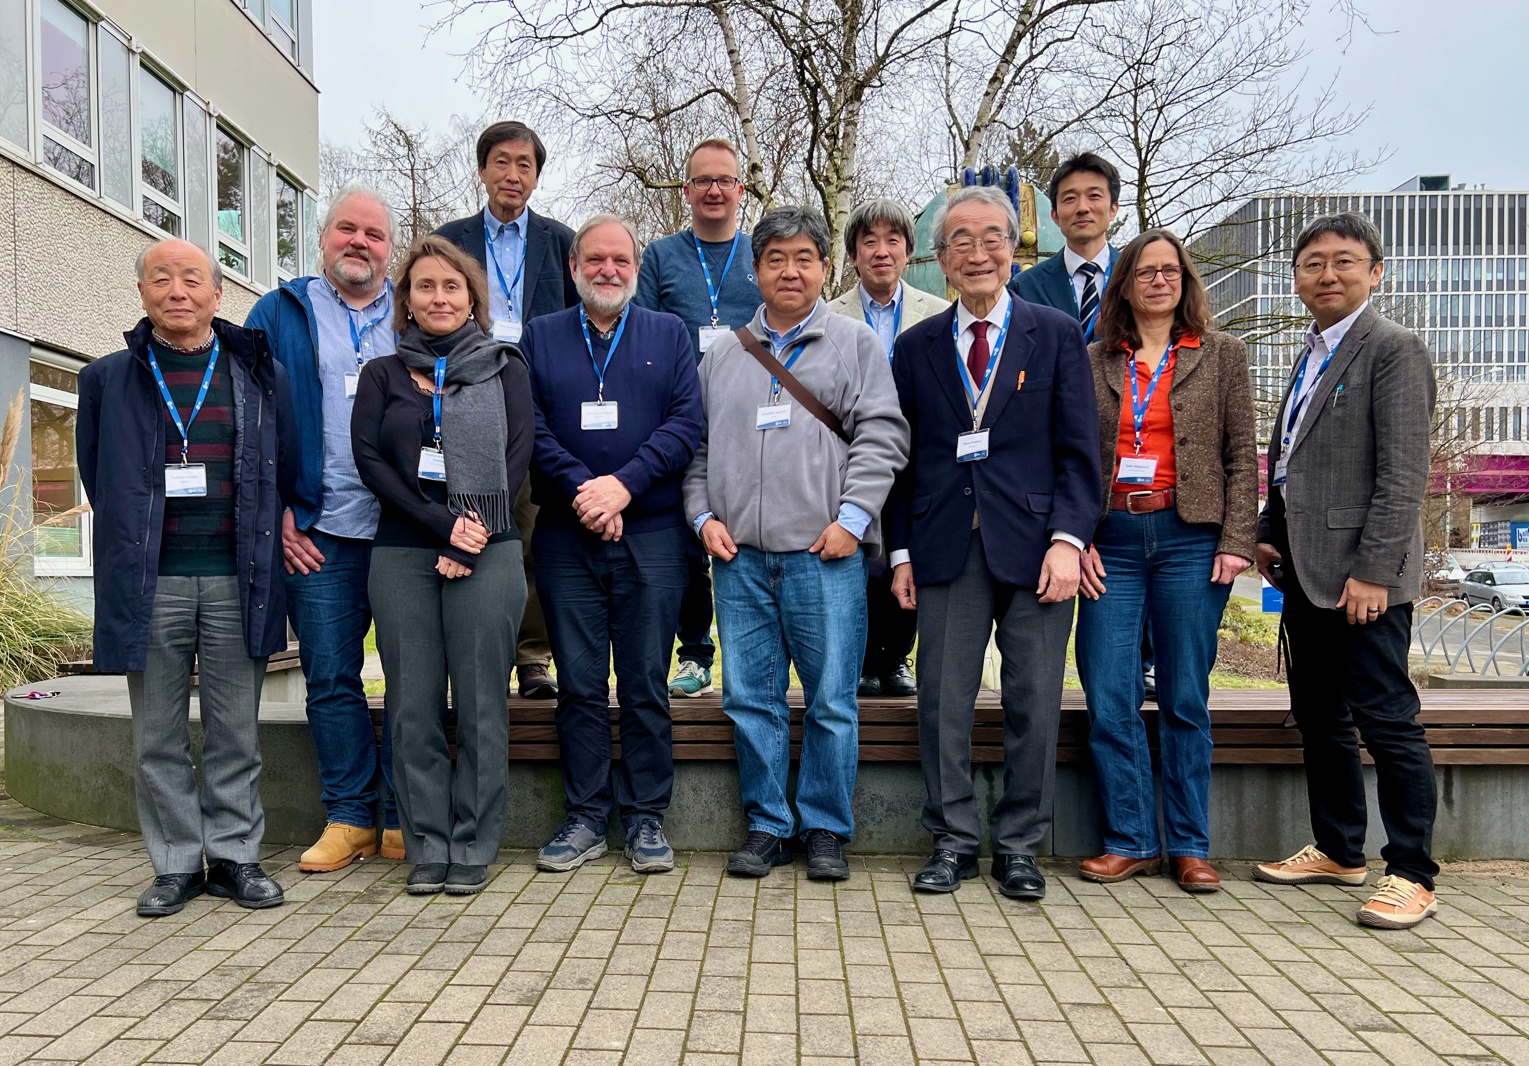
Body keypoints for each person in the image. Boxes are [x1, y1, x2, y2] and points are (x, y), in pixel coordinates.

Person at [886, 186, 1100, 900]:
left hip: (1038, 547)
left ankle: (1018, 846)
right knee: (942, 701)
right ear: (939, 260)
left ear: (1013, 250)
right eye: (960, 242)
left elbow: (1079, 452)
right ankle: (949, 841)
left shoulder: (1055, 332)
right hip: (946, 545)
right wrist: (900, 552)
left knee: (1033, 700)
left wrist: (1069, 541)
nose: (976, 253)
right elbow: (903, 460)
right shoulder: (915, 348)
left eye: (990, 238)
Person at [684, 207, 909, 881]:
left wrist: (853, 518)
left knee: (832, 699)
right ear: (755, 270)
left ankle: (824, 828)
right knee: (750, 699)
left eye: (803, 258)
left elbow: (882, 437)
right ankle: (765, 824)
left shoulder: (854, 345)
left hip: (825, 556)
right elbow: (694, 453)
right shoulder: (723, 354)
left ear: (822, 267)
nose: (789, 270)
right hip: (740, 560)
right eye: (775, 258)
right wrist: (703, 518)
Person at [78, 239, 296, 917]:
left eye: (191, 279)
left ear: (216, 293)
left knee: (236, 730)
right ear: (142, 293)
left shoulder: (261, 375)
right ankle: (175, 865)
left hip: (238, 578)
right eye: (161, 279)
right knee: (157, 736)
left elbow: (284, 468)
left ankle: (234, 856)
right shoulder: (106, 379)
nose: (177, 290)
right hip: (150, 584)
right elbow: (98, 475)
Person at [1252, 212, 1440, 930]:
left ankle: (1412, 872)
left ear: (1375, 271)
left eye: (1343, 262)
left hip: (1363, 579)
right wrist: (1269, 532)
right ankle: (1337, 847)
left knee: (1387, 721)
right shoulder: (1309, 353)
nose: (1326, 275)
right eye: (1311, 264)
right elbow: (1291, 462)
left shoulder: (1392, 349)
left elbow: (1402, 477)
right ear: (1295, 276)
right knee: (1321, 718)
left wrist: (1373, 571)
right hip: (1303, 571)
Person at [1074, 230, 1257, 893]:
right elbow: (1068, 457)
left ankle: (1187, 844)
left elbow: (1242, 454)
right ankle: (1129, 840)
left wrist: (1236, 540)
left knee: (1184, 697)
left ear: (1184, 280)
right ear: (1121, 284)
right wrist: (1074, 537)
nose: (1158, 280)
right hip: (1110, 542)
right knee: (1109, 694)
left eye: (1170, 270)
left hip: (1189, 540)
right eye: (1144, 271)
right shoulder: (1091, 358)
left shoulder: (1222, 354)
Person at [351, 236, 534, 896]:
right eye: (424, 286)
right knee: (413, 707)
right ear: (405, 299)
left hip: (490, 553)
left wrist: (469, 537)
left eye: (450, 287)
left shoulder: (505, 367)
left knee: (484, 705)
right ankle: (427, 841)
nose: (437, 297)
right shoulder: (382, 376)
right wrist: (439, 527)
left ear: (472, 300)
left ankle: (473, 843)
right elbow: (371, 463)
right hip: (402, 552)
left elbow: (518, 457)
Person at [523, 215, 704, 875]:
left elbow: (687, 421)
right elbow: (531, 427)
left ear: (635, 268)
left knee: (645, 682)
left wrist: (623, 487)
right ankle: (585, 816)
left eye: (619, 260)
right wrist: (585, 491)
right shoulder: (540, 336)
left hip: (651, 531)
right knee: (576, 682)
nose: (608, 270)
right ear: (574, 268)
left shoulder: (668, 333)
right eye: (594, 260)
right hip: (567, 537)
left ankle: (647, 818)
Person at [245, 186, 404, 874]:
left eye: (373, 233)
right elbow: (247, 422)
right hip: (318, 533)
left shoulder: (421, 310)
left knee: (413, 678)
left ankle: (403, 815)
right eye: (347, 229)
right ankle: (349, 817)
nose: (359, 243)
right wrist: (278, 510)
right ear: (323, 237)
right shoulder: (278, 312)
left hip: (406, 531)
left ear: (389, 249)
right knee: (331, 677)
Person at [434, 120, 576, 700]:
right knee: (476, 527)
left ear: (537, 177)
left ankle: (533, 659)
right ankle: (475, 654)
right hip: (469, 402)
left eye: (525, 164)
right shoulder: (450, 239)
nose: (512, 174)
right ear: (482, 169)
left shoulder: (562, 243)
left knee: (535, 534)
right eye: (501, 162)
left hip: (541, 406)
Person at [1010, 152, 1157, 698]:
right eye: (1069, 198)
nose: (1082, 207)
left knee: (1130, 555)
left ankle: (1142, 660)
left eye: (1094, 195)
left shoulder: (1142, 276)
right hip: (1052, 441)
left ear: (1114, 207)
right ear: (1054, 213)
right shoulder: (1028, 284)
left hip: (1131, 438)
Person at [635, 138, 763, 700]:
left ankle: (749, 656)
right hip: (680, 418)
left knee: (742, 538)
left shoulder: (763, 253)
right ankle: (694, 653)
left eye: (724, 180)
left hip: (751, 419)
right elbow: (642, 333)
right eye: (702, 180)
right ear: (686, 191)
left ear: (741, 190)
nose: (714, 190)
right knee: (687, 540)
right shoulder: (662, 256)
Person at [828, 198, 949, 700]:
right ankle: (858, 660)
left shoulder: (939, 313)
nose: (881, 251)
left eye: (892, 241)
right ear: (853, 254)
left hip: (920, 459)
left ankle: (896, 657)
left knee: (909, 557)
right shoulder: (829, 316)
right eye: (868, 242)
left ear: (909, 251)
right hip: (849, 457)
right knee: (858, 561)